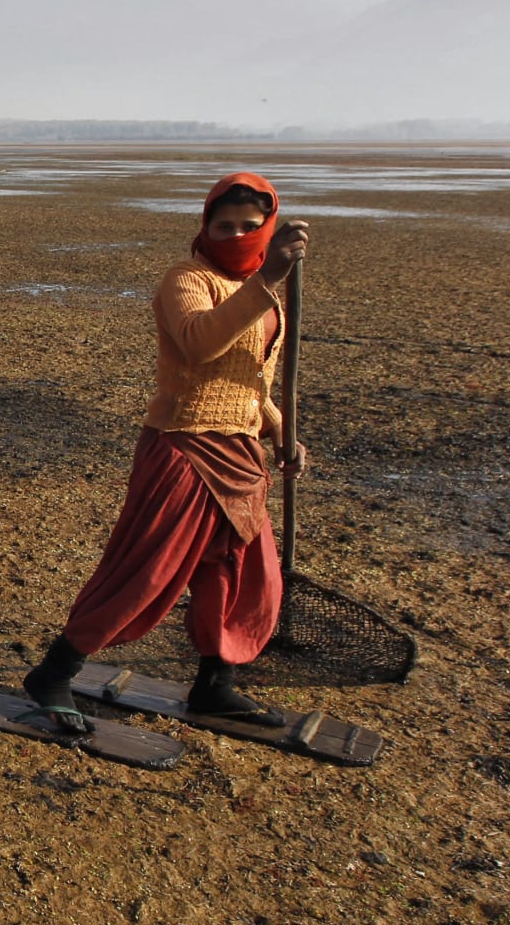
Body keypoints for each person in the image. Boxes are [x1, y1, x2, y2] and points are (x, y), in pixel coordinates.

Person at [22, 172, 310, 728]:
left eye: (251, 227)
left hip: (242, 453)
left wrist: (281, 429)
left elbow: (252, 378)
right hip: (185, 448)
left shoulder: (270, 292)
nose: (235, 236)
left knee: (239, 572)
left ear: (268, 229)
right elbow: (202, 347)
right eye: (223, 225)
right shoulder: (187, 279)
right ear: (204, 225)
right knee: (146, 570)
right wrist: (268, 277)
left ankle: (213, 684)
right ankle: (55, 672)